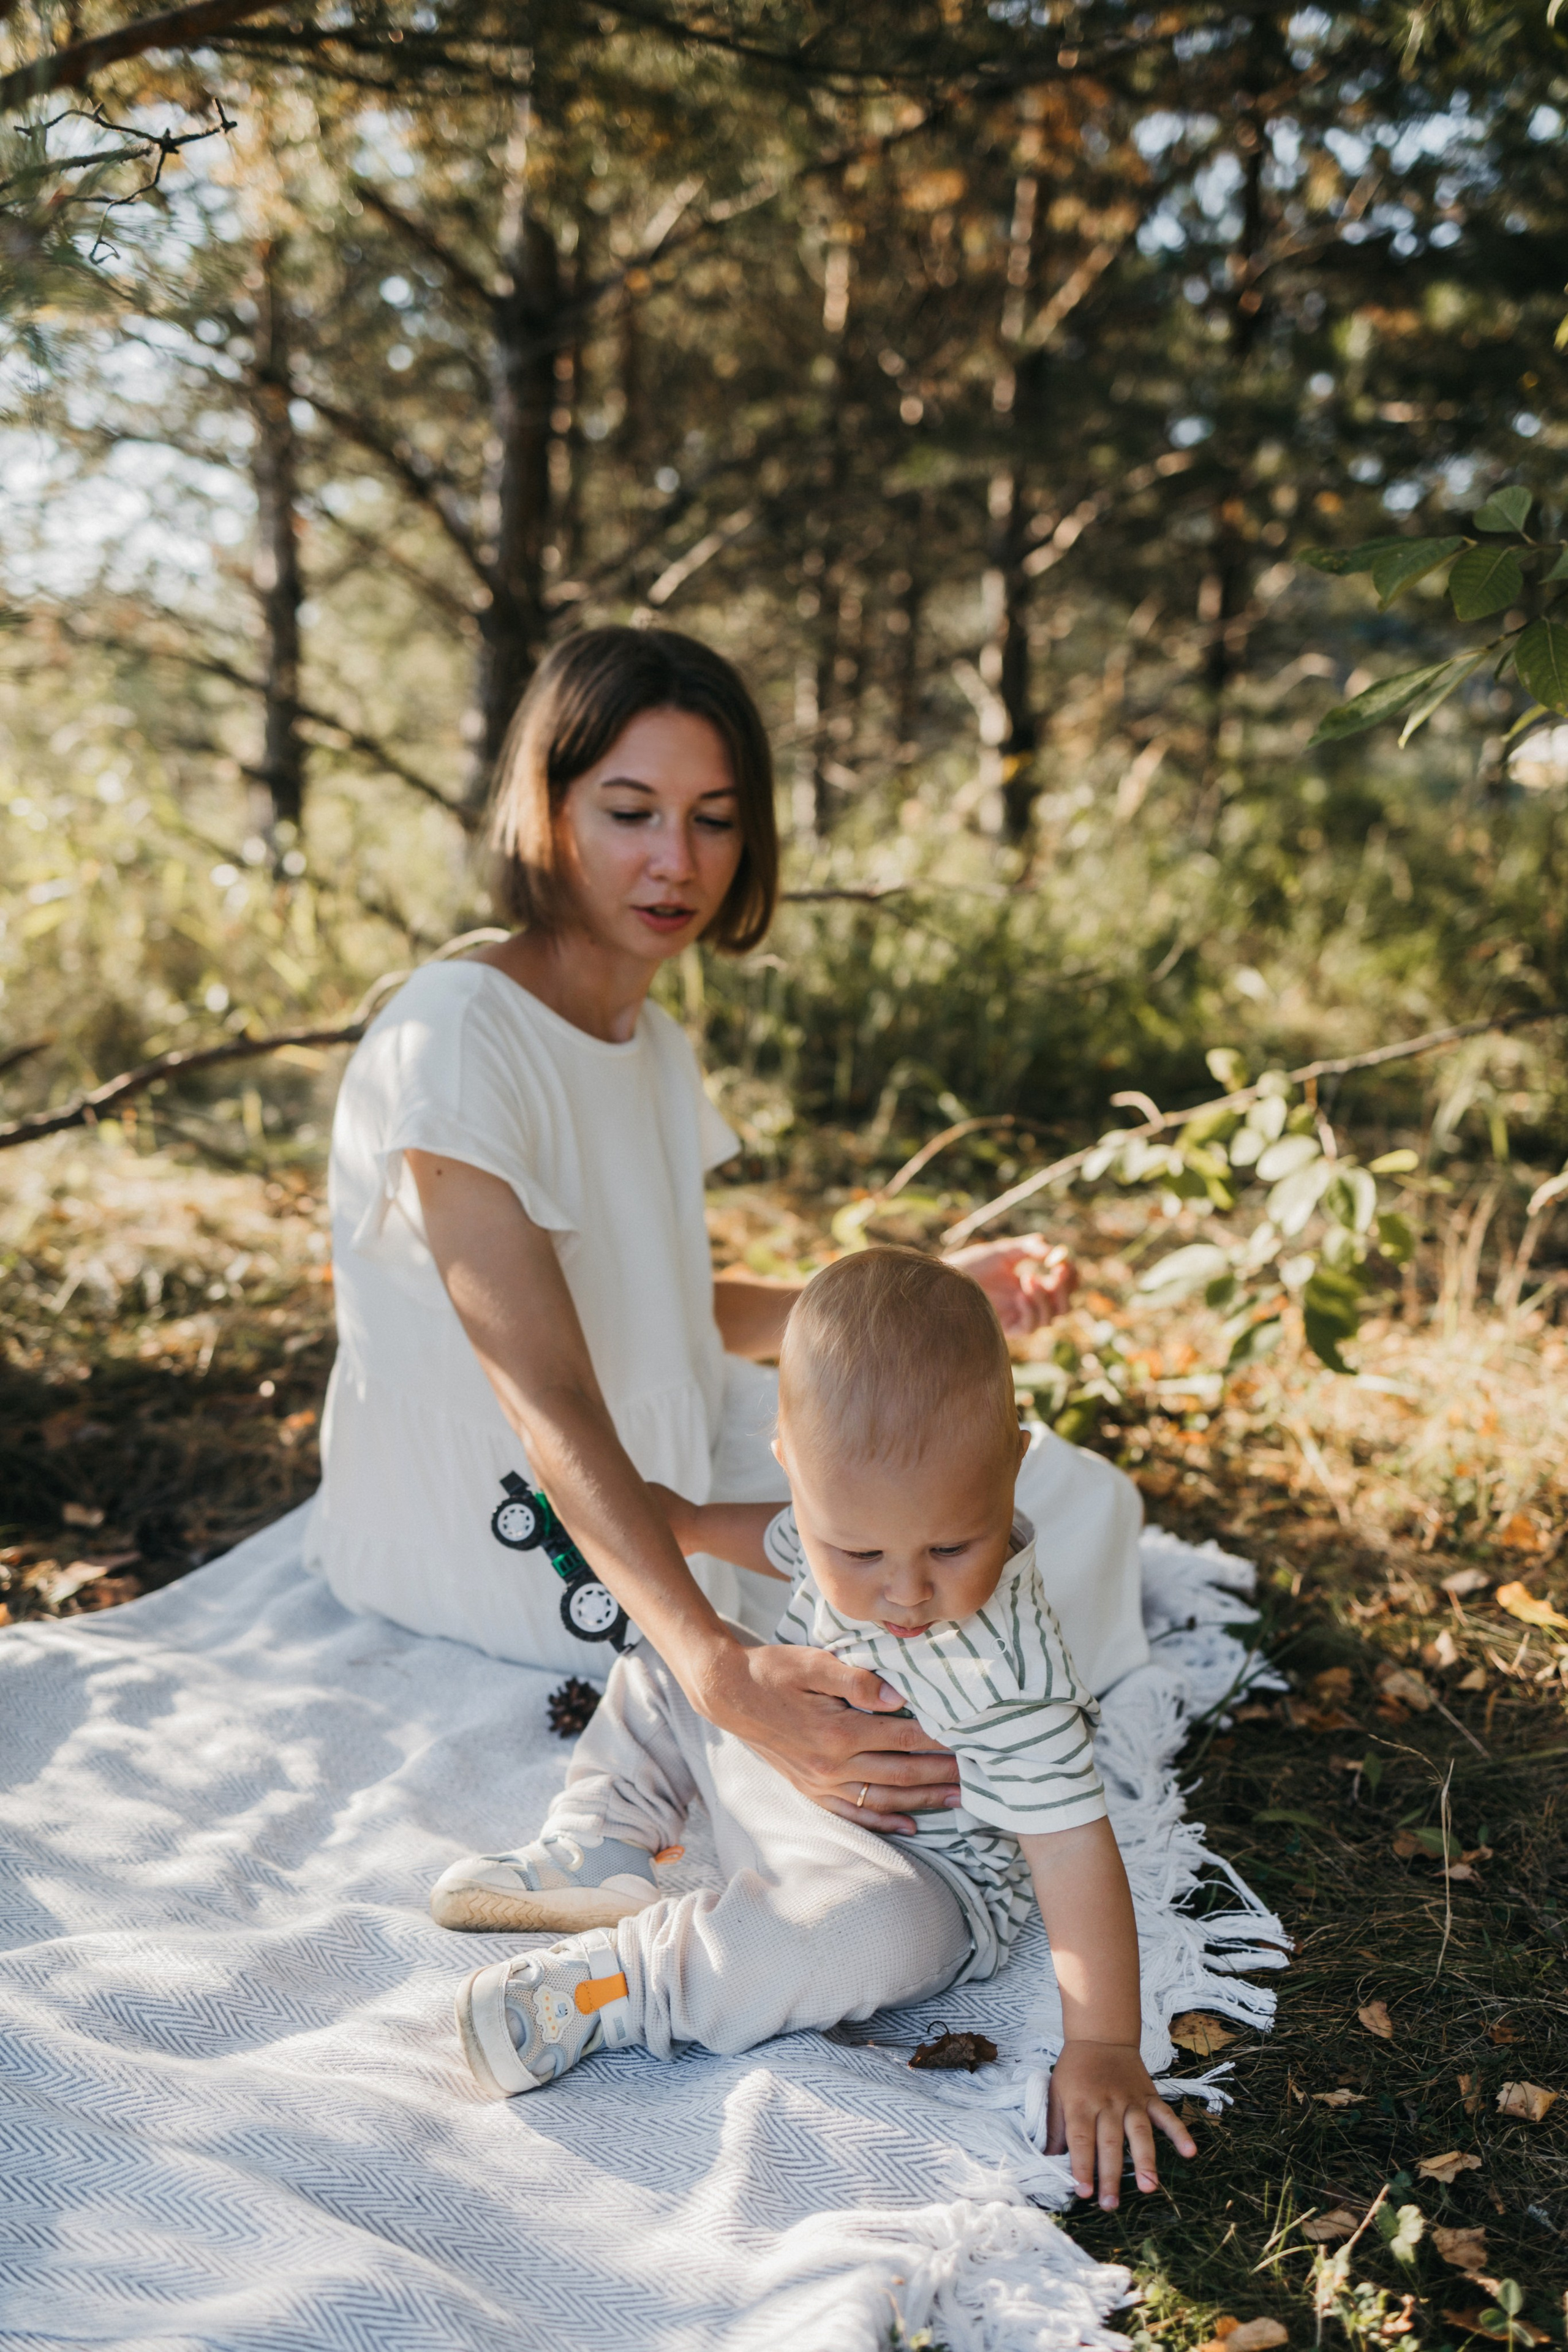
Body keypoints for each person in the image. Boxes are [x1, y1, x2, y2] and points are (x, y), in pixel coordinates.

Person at [306, 623, 1145, 1836]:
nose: (674, 862)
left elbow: (663, 1300)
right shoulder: (455, 1038)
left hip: (679, 1443)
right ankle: (915, 1729)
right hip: (514, 1511)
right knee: (931, 1597)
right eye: (630, 811)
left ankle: (945, 1712)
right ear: (546, 814)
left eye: (712, 818)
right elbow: (543, 1395)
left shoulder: (648, 1037)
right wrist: (709, 1661)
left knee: (1066, 1509)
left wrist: (917, 1286)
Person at [438, 1251, 1194, 2215]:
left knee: (876, 1938)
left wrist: (1101, 2046)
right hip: (787, 1759)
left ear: (1015, 1455)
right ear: (791, 1460)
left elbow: (1074, 1850)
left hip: (919, 1864)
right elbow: (785, 1539)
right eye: (861, 1552)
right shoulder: (837, 1516)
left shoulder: (1010, 1669)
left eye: (953, 1546)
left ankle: (622, 1986)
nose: (908, 1591)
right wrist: (695, 1524)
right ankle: (606, 1837)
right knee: (673, 1654)